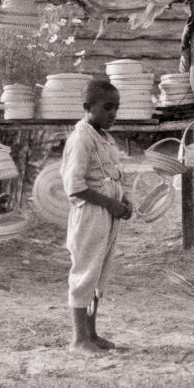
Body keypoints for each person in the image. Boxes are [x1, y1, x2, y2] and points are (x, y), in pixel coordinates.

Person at [61, 77, 134, 354]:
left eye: (116, 107)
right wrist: (109, 203)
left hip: (108, 214)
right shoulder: (81, 138)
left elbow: (111, 174)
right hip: (91, 214)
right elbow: (75, 186)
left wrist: (122, 199)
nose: (113, 113)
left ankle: (92, 333)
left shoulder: (104, 137)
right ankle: (79, 338)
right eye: (107, 108)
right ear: (87, 107)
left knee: (99, 274)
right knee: (84, 272)